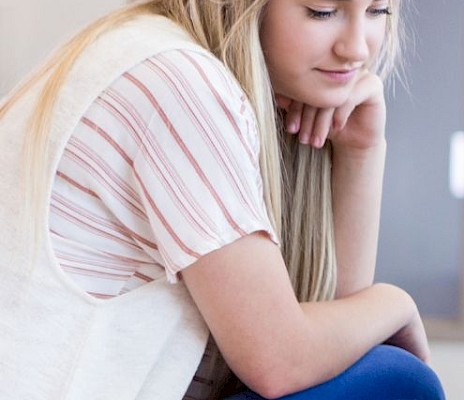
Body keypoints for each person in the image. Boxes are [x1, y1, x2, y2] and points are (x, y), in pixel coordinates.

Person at [0, 0, 440, 399]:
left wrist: (360, 152)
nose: (357, 48)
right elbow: (280, 360)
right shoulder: (179, 81)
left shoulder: (156, 53)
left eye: (378, 11)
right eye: (322, 11)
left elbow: (338, 335)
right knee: (399, 380)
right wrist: (396, 304)